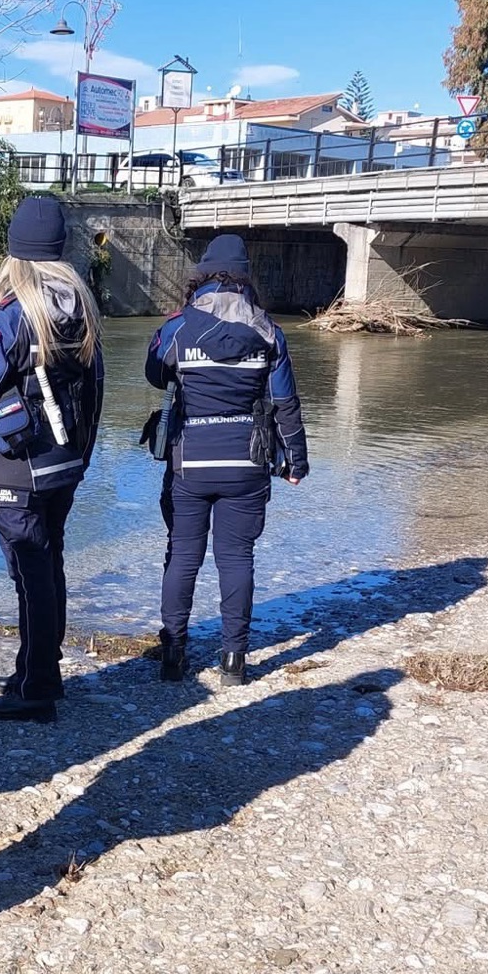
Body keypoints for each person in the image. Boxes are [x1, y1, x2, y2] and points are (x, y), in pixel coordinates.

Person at [0, 196, 105, 723]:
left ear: (14, 254)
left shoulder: (12, 316)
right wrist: (82, 457)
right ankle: (39, 666)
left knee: (29, 574)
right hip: (65, 463)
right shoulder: (81, 307)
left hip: (19, 467)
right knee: (50, 568)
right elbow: (96, 389)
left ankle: (36, 686)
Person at [145, 234, 308, 685]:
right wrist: (295, 461)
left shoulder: (178, 327)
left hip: (189, 462)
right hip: (247, 463)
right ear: (244, 277)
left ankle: (173, 655)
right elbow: (285, 402)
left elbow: (155, 373)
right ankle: (234, 661)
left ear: (200, 276)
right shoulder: (267, 330)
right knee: (236, 558)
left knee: (183, 557)